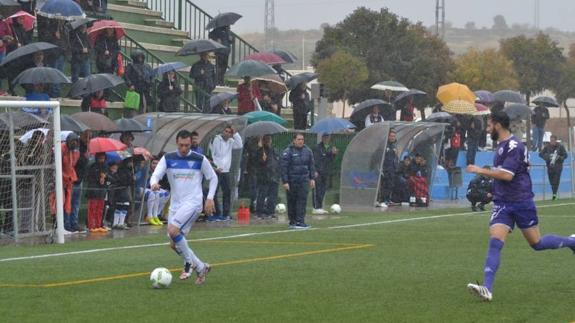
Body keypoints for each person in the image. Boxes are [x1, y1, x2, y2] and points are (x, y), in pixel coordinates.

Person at [466, 111, 575, 302]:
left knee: (537, 244)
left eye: (489, 125)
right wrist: (493, 189)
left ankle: (571, 242)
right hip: (503, 203)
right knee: (495, 241)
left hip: (521, 201)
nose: (487, 128)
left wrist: (480, 170)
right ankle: (487, 288)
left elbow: (507, 175)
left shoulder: (514, 145)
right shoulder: (501, 145)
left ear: (498, 125)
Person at [150, 130, 217, 284]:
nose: (184, 148)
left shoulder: (199, 159)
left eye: (187, 145)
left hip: (193, 202)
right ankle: (201, 267)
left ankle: (188, 264)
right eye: (181, 145)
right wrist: (153, 183)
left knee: (173, 230)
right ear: (177, 142)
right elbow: (156, 174)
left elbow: (213, 177)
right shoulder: (168, 158)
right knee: (174, 244)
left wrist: (210, 198)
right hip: (176, 204)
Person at [280, 133, 316, 229]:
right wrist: (285, 181)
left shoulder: (308, 151)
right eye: (299, 139)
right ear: (294, 140)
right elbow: (284, 168)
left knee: (302, 200)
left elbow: (311, 165)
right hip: (292, 180)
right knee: (292, 201)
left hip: (303, 180)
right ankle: (292, 221)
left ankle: (300, 221)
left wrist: (312, 178)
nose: (301, 141)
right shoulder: (288, 152)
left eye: (302, 139)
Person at [209, 125, 243, 221]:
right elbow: (213, 154)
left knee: (227, 192)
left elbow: (240, 145)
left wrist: (235, 133)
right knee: (214, 192)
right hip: (217, 170)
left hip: (226, 171)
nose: (227, 133)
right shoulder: (216, 140)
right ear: (223, 131)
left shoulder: (231, 141)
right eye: (226, 131)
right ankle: (216, 213)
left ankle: (226, 214)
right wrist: (215, 167)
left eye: (229, 132)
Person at [255, 134, 280, 218]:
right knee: (262, 194)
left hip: (274, 176)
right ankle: (259, 212)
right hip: (264, 176)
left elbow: (277, 161)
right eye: (266, 140)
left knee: (273, 195)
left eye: (269, 139)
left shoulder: (274, 150)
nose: (268, 141)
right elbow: (257, 163)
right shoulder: (260, 151)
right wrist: (262, 160)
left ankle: (271, 211)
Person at [312, 133, 338, 214]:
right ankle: (316, 207)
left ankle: (319, 207)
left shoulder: (330, 147)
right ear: (322, 138)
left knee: (323, 190)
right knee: (317, 189)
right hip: (318, 172)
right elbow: (315, 159)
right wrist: (315, 170)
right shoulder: (317, 147)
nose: (327, 139)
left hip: (326, 172)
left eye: (328, 137)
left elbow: (330, 159)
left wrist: (333, 154)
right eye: (325, 137)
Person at [85, 152, 109, 232]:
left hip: (102, 191)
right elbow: (88, 178)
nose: (102, 160)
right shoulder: (92, 166)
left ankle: (98, 225)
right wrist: (99, 178)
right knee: (92, 208)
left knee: (100, 209)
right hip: (93, 191)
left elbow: (109, 178)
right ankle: (91, 225)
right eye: (100, 158)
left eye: (103, 158)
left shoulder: (106, 167)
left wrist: (105, 177)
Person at [124, 50, 153, 115]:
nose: (140, 58)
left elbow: (151, 76)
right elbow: (126, 76)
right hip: (135, 88)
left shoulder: (147, 66)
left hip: (145, 89)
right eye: (138, 57)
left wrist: (149, 83)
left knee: (144, 106)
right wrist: (130, 84)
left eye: (141, 57)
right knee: (134, 107)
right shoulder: (131, 65)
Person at [62, 133, 80, 232]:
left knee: (69, 203)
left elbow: (72, 165)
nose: (74, 143)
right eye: (72, 141)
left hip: (69, 180)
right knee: (60, 202)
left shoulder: (76, 152)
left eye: (76, 141)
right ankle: (61, 225)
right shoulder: (61, 148)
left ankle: (68, 224)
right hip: (61, 179)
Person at [539, 135, 567, 200]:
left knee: (556, 180)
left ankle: (554, 195)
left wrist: (559, 157)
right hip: (550, 166)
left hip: (558, 166)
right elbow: (540, 154)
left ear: (556, 140)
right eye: (551, 140)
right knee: (551, 181)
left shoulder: (560, 147)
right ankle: (554, 193)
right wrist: (547, 157)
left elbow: (565, 155)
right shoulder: (547, 147)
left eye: (553, 140)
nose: (552, 142)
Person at [376, 130, 399, 207]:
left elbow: (395, 157)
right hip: (385, 169)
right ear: (388, 136)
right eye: (391, 136)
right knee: (384, 185)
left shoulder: (394, 145)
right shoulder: (384, 145)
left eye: (393, 136)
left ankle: (388, 199)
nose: (392, 137)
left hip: (392, 168)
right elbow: (378, 155)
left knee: (390, 185)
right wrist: (380, 167)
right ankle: (381, 200)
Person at [144, 157, 169, 225]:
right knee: (153, 193)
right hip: (143, 189)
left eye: (157, 164)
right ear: (150, 164)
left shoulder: (159, 172)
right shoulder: (146, 171)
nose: (155, 165)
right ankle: (149, 216)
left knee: (166, 194)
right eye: (153, 163)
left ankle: (156, 214)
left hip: (151, 189)